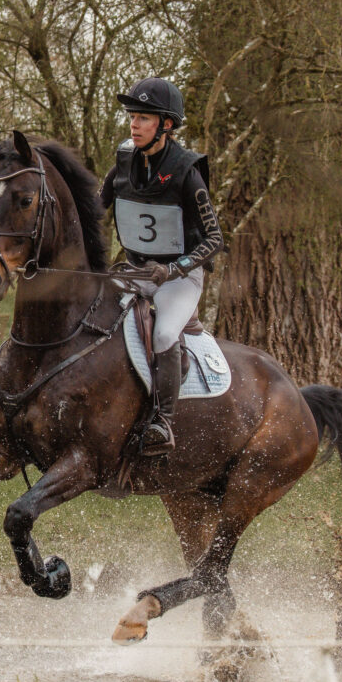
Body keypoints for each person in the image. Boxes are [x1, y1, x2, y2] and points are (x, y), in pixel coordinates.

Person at [100, 77, 224, 450]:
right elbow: (95, 212)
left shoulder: (188, 171)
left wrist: (173, 269)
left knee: (166, 334)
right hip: (136, 270)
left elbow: (215, 239)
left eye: (143, 118)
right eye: (132, 117)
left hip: (179, 277)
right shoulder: (124, 161)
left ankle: (163, 422)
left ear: (166, 125)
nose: (134, 125)